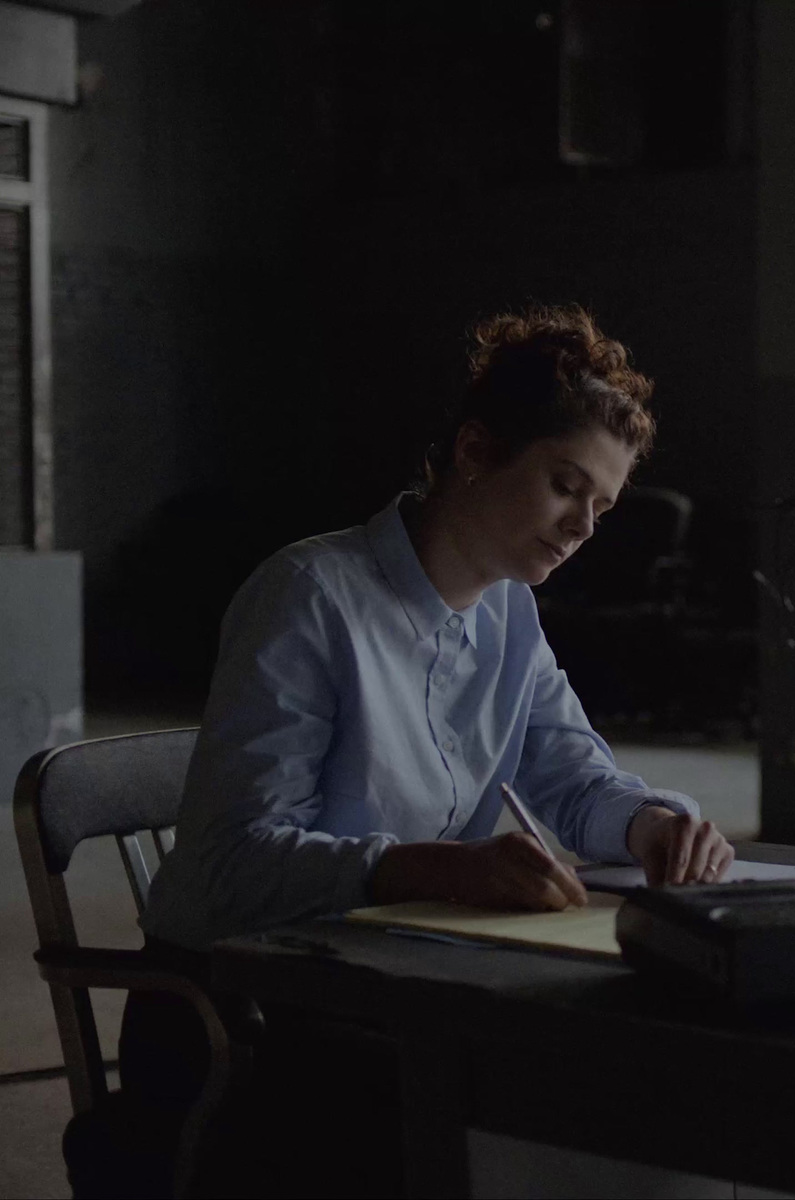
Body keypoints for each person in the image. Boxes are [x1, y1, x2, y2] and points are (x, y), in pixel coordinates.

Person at [116, 304, 734, 1194]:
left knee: (640, 1081)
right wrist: (435, 870)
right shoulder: (308, 595)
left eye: (601, 506)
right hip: (244, 1017)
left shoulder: (508, 609)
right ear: (476, 451)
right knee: (562, 1107)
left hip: (391, 984)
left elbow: (568, 771)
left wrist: (652, 826)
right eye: (566, 486)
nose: (582, 528)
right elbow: (227, 870)